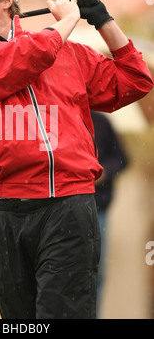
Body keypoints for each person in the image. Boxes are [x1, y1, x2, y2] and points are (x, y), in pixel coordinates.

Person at [0, 0, 153, 319]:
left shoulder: (67, 53)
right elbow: (23, 59)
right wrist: (67, 21)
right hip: (5, 213)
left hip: (68, 207)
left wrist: (104, 21)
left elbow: (135, 81)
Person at [90, 111, 128, 314]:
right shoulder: (56, 117)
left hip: (98, 209)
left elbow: (122, 158)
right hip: (63, 209)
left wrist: (103, 172)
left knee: (96, 274)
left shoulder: (101, 122)